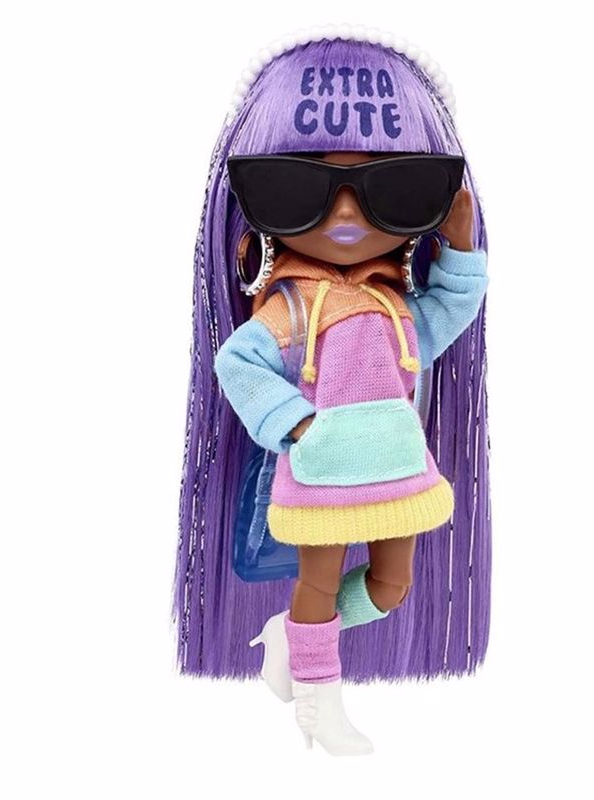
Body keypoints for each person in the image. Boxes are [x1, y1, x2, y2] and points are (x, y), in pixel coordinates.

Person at [174, 28, 491, 757]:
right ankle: (321, 707)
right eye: (296, 189)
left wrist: (460, 248)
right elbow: (238, 363)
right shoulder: (292, 308)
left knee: (391, 587)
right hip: (322, 476)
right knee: (316, 586)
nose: (346, 216)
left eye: (395, 189)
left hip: (400, 473)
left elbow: (447, 314)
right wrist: (298, 427)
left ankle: (293, 638)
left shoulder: (394, 308)